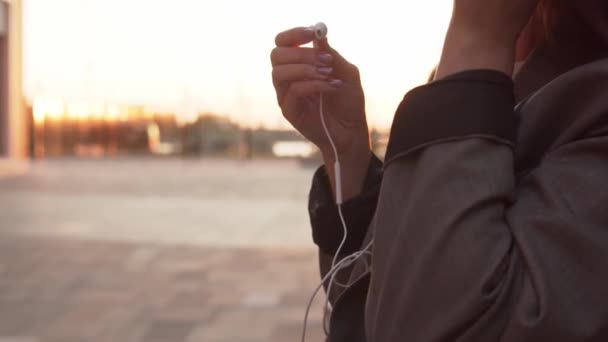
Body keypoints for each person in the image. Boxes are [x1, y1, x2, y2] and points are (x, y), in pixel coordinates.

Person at [270, 0, 608, 341]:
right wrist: (346, 151)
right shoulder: (481, 67)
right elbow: (376, 295)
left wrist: (475, 38)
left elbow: (428, 319)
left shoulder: (491, 59)